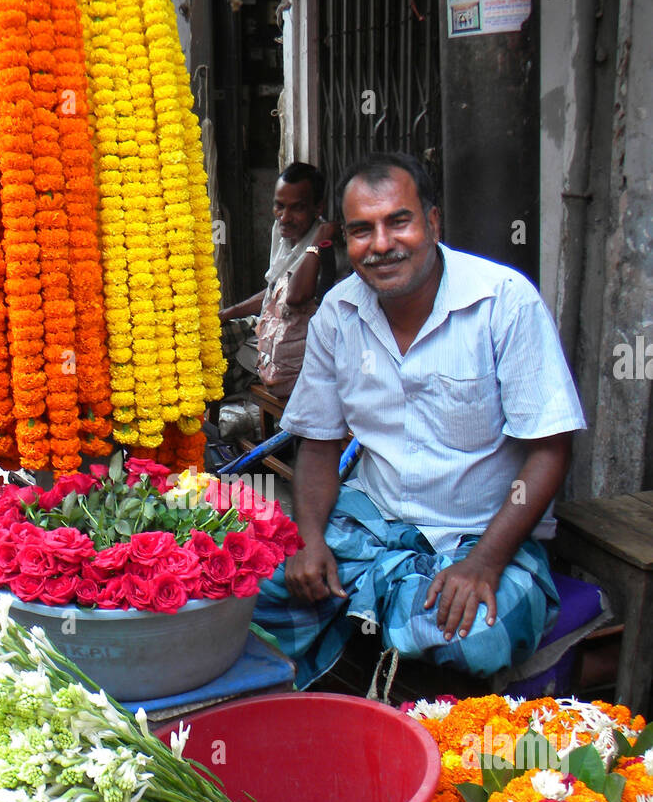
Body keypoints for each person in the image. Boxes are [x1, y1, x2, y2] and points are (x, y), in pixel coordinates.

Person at [252, 151, 587, 688]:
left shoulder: (503, 302)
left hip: (479, 531)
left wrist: (485, 561)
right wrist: (311, 540)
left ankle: (378, 667)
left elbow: (550, 450)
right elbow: (317, 444)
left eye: (398, 221)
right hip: (370, 523)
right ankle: (369, 653)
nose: (381, 245)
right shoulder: (339, 313)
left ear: (432, 222)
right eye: (362, 230)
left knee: (475, 636)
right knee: (250, 592)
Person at [219, 162, 338, 399]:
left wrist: (318, 243)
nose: (284, 217)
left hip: (295, 351)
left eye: (297, 208)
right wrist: (227, 313)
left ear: (317, 208)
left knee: (221, 369)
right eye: (279, 206)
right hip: (267, 331)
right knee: (210, 335)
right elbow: (273, 290)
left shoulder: (323, 246)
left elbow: (294, 296)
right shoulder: (281, 231)